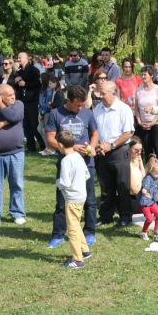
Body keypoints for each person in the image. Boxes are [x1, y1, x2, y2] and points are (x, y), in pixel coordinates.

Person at [45, 85, 99, 248]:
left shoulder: (87, 113)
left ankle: (89, 231)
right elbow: (50, 140)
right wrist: (73, 148)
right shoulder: (56, 114)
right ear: (68, 101)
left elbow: (94, 134)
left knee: (89, 199)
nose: (80, 108)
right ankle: (58, 235)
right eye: (77, 105)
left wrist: (92, 148)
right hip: (66, 165)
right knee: (62, 201)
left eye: (82, 105)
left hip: (86, 164)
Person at [94, 81, 134, 227]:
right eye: (100, 93)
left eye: (103, 94)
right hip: (102, 151)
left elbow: (128, 132)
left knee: (122, 185)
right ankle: (106, 216)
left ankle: (125, 216)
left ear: (113, 94)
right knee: (106, 186)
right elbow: (95, 129)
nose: (101, 96)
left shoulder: (124, 109)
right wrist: (99, 145)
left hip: (119, 151)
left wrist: (111, 145)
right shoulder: (98, 108)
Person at [0, 85, 26, 228]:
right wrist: (4, 123)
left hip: (15, 152)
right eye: (9, 95)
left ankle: (17, 213)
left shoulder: (18, 105)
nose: (13, 96)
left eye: (13, 93)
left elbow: (14, 117)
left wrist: (0, 105)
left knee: (17, 184)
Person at [55, 130, 92, 269]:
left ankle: (77, 260)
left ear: (60, 145)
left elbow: (64, 182)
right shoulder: (78, 156)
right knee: (76, 223)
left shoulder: (66, 160)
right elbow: (87, 174)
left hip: (72, 198)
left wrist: (57, 182)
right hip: (81, 195)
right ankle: (85, 250)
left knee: (72, 229)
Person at [15, 52, 45, 153]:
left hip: (32, 101)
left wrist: (25, 84)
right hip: (22, 100)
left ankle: (43, 145)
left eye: (20, 58)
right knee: (26, 124)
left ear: (26, 58)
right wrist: (16, 81)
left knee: (34, 125)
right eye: (18, 58)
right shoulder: (19, 72)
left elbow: (38, 85)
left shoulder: (33, 70)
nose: (18, 59)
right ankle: (30, 146)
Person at [134, 65, 158, 162]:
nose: (143, 77)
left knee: (157, 145)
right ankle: (149, 169)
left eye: (145, 74)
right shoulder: (138, 90)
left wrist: (152, 123)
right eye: (142, 74)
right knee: (147, 147)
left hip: (157, 123)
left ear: (151, 75)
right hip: (143, 123)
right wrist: (139, 122)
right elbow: (137, 108)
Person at [137, 155, 158, 240]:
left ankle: (156, 231)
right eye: (157, 173)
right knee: (149, 219)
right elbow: (143, 190)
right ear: (150, 170)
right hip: (145, 203)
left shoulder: (155, 177)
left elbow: (154, 189)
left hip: (151, 201)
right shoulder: (147, 179)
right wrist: (146, 194)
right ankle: (143, 232)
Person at [37, 73, 53, 155]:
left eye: (40, 78)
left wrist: (42, 113)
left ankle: (50, 148)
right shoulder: (42, 89)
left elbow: (47, 103)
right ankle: (47, 147)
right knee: (40, 129)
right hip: (42, 111)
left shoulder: (48, 90)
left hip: (47, 112)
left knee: (47, 130)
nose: (39, 79)